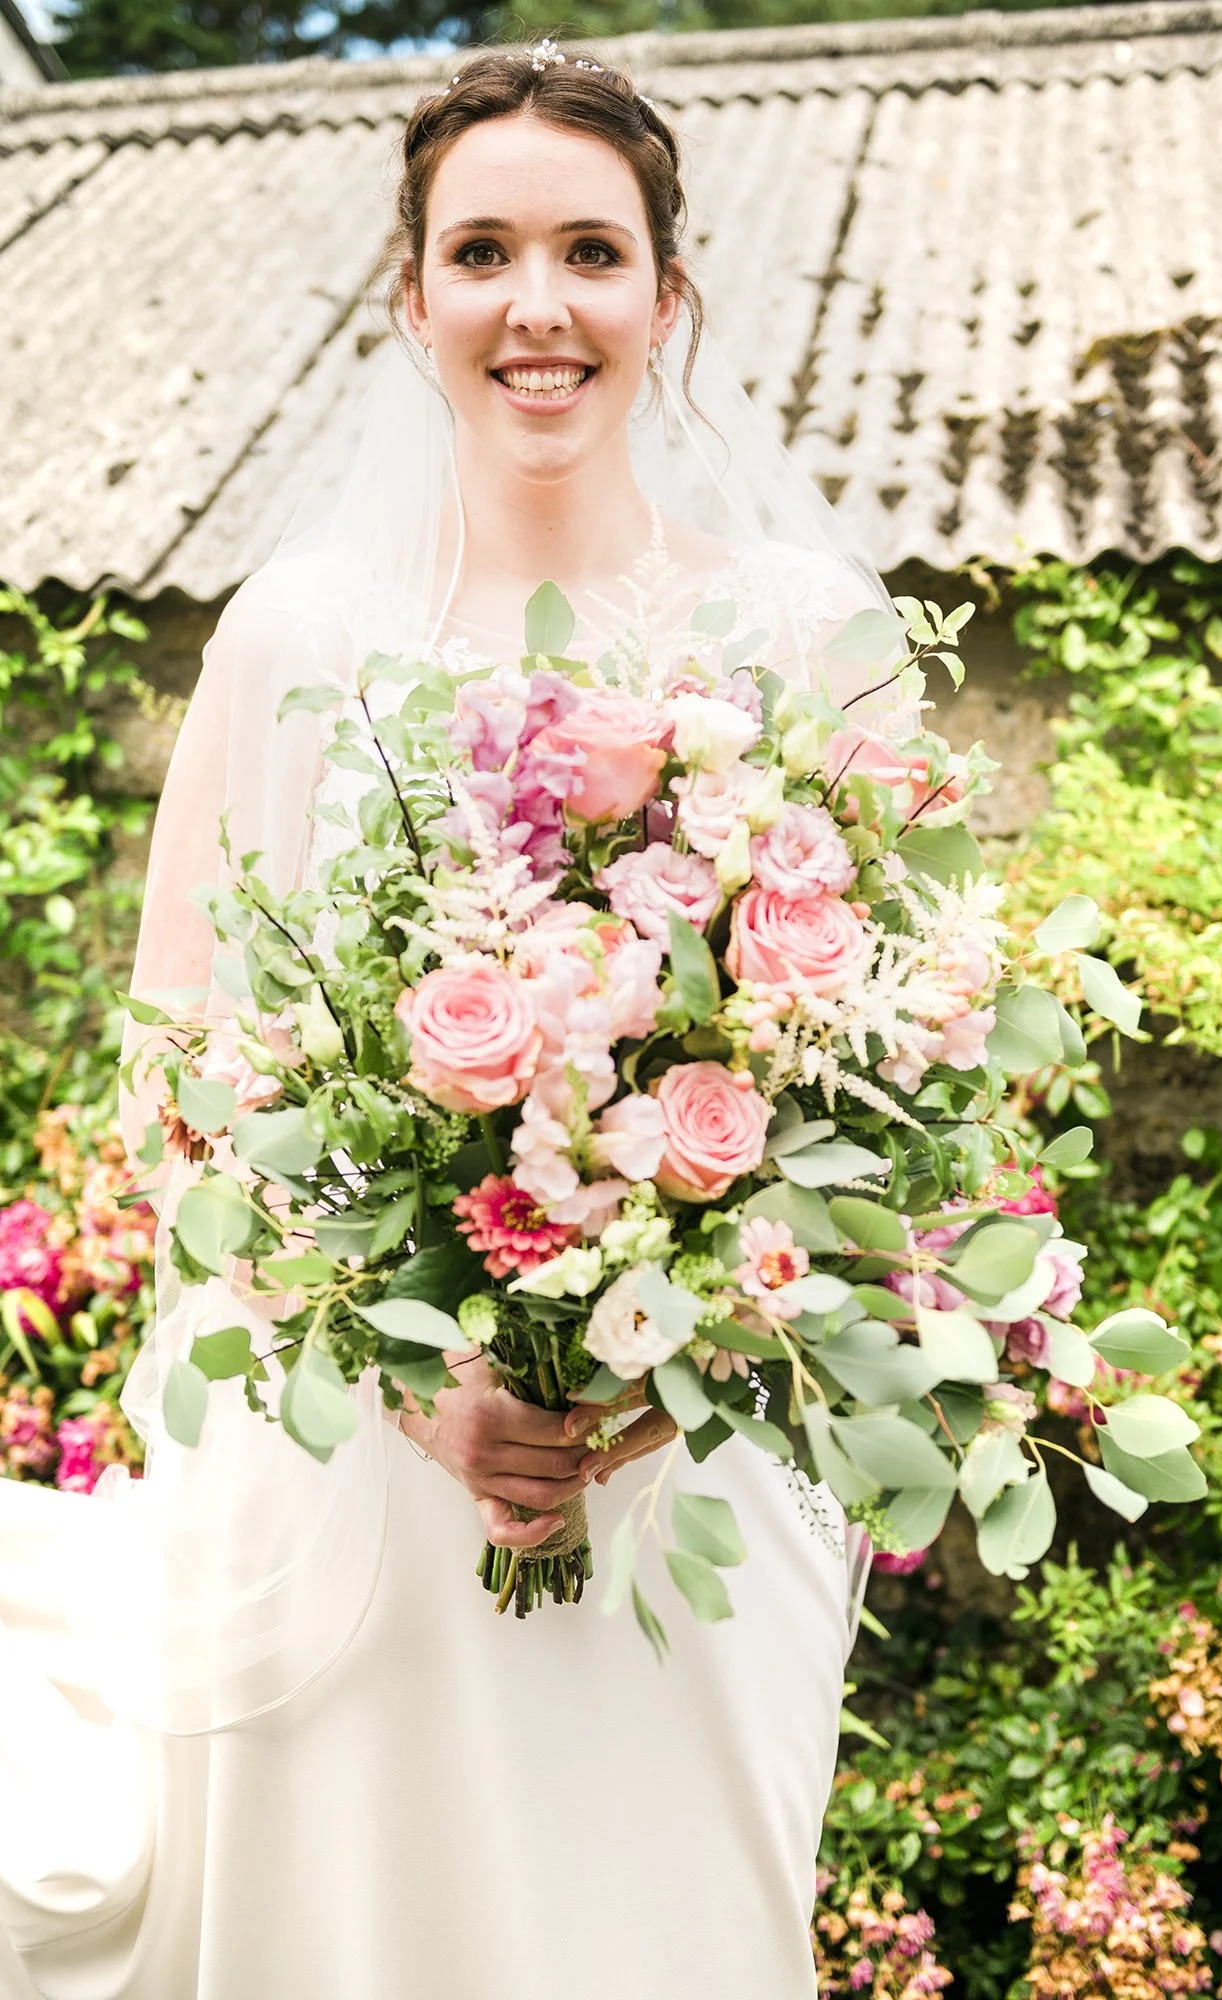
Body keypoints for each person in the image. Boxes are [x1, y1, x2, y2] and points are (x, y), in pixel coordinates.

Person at [0, 44, 916, 2000]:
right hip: (358, 1457)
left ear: (668, 299)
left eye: (591, 250)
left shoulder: (803, 631)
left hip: (686, 1451)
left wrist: (656, 1371)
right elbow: (182, 1068)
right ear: (408, 300)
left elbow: (889, 1088)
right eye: (479, 249)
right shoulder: (297, 631)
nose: (537, 302)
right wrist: (422, 1388)